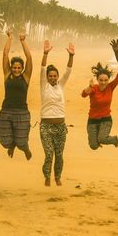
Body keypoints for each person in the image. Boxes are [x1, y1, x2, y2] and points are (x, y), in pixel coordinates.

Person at [39, 40, 74, 187]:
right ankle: (47, 177)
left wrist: (71, 56)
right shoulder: (43, 86)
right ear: (47, 77)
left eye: (55, 76)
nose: (53, 78)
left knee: (59, 155)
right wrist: (45, 53)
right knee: (49, 154)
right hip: (46, 127)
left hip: (60, 127)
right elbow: (42, 68)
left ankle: (57, 177)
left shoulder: (61, 85)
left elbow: (68, 71)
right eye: (50, 76)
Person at [0, 31, 34, 160]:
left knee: (22, 142)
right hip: (6, 110)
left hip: (22, 112)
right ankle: (11, 145)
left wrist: (23, 41)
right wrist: (9, 38)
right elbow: (5, 54)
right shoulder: (7, 74)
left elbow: (29, 58)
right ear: (11, 67)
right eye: (14, 67)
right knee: (5, 142)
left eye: (19, 68)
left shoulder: (26, 76)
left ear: (22, 68)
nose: (16, 70)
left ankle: (25, 149)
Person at [81, 63, 118, 149]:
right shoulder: (94, 88)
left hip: (106, 119)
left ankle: (114, 139)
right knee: (93, 146)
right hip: (92, 120)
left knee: (102, 139)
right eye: (101, 80)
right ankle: (97, 140)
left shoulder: (110, 87)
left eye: (106, 80)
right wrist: (89, 86)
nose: (103, 82)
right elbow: (83, 94)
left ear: (108, 80)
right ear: (97, 79)